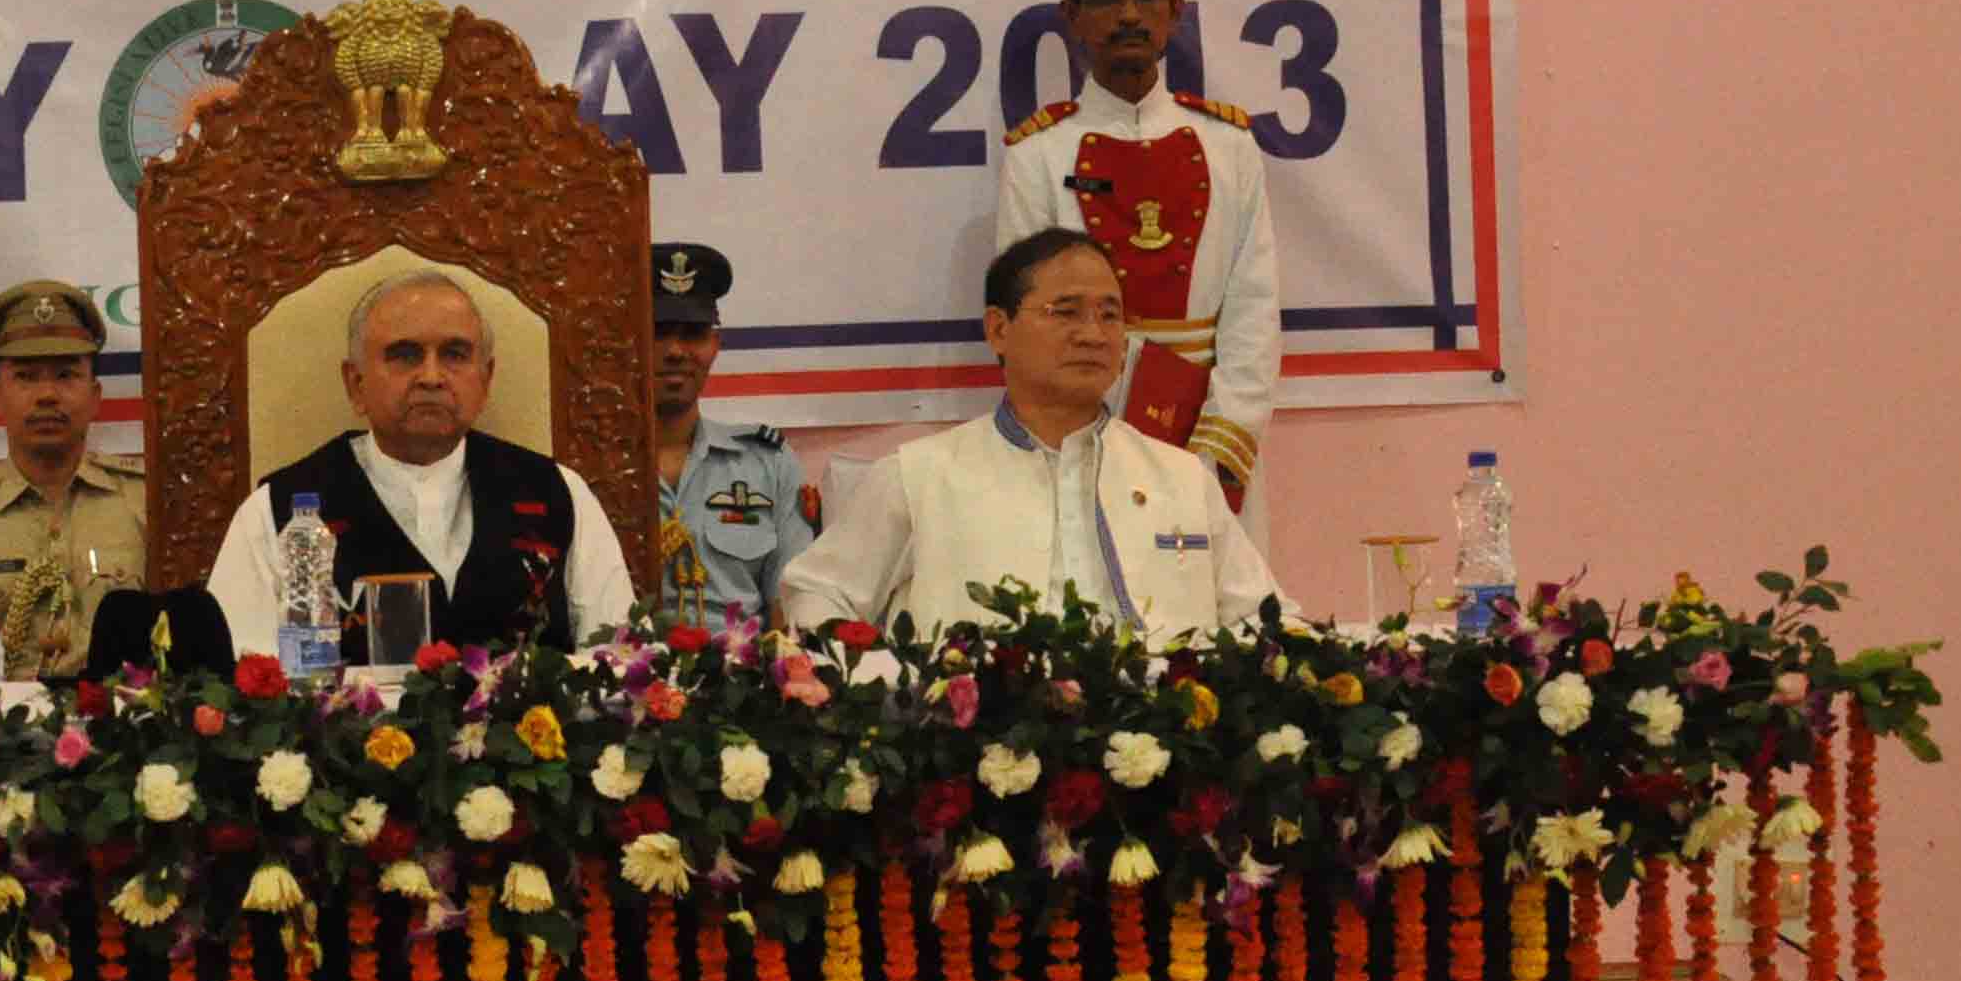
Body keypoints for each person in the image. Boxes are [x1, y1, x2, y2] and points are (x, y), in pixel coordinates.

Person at [778, 228, 1285, 637]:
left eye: (1110, 316)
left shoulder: (1181, 477)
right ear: (998, 329)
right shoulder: (919, 475)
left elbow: (1266, 618)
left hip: (1161, 749)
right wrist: (886, 686)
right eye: (1065, 312)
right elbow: (817, 594)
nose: (1093, 334)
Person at [993, 0, 1280, 511]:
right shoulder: (1037, 154)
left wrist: (1223, 439)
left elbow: (1254, 308)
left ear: (1175, 12)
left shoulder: (1231, 147)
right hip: (1081, 434)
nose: (1128, 15)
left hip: (1207, 440)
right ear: (1072, 17)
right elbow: (1029, 320)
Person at [206, 265, 635, 657]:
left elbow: (622, 660)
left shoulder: (558, 492)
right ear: (355, 383)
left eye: (454, 354)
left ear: (485, 381)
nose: (431, 376)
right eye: (406, 354)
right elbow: (239, 683)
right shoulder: (278, 509)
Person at [0, 278, 147, 682]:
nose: (47, 395)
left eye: (66, 375)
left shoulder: (147, 501)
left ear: (95, 396)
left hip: (124, 726)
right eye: (26, 377)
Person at [641, 241, 815, 626]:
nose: (674, 350)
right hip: (625, 676)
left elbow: (793, 599)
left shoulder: (767, 461)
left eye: (693, 334)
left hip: (743, 676)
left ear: (714, 346)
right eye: (658, 332)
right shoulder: (590, 465)